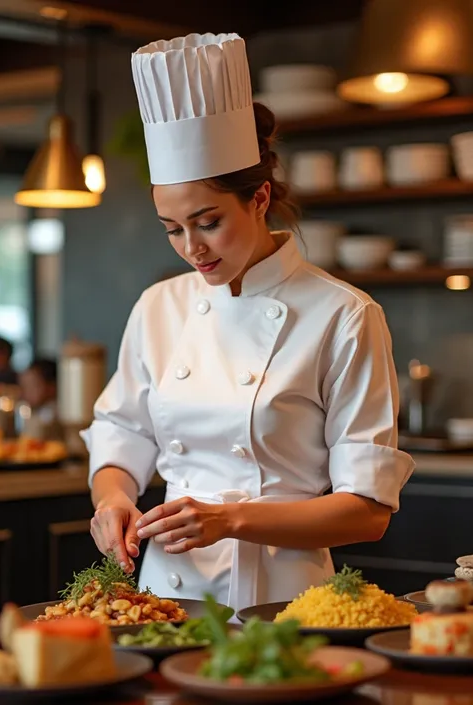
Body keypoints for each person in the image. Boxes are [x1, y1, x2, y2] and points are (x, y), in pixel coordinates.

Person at [82, 32, 414, 611]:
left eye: (208, 221)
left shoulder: (345, 315)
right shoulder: (158, 307)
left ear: (259, 200)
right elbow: (124, 435)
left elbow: (368, 511)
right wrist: (111, 499)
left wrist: (230, 519)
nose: (191, 248)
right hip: (164, 600)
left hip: (284, 606)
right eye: (172, 227)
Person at [19, 358, 62, 440]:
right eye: (24, 386)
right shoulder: (33, 411)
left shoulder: (52, 413)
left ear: (52, 387)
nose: (25, 392)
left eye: (32, 386)